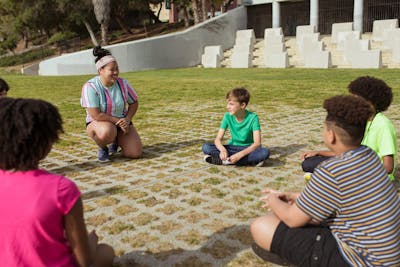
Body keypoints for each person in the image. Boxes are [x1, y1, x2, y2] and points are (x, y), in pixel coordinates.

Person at [250, 95, 400, 266]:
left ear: (331, 136)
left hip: (361, 260)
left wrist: (273, 199)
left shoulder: (331, 170)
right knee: (298, 216)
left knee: (262, 225)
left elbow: (293, 219)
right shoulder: (369, 155)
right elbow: (345, 197)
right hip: (386, 254)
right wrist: (295, 196)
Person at [0, 97, 115, 267]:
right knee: (106, 251)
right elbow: (84, 260)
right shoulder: (61, 189)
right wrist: (91, 240)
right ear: (47, 143)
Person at [301, 76, 398, 181]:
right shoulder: (361, 120)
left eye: (355, 99)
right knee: (309, 163)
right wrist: (320, 152)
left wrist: (354, 173)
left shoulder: (383, 126)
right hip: (355, 163)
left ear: (370, 101)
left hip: (372, 174)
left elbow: (388, 167)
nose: (352, 102)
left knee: (329, 169)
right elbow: (347, 151)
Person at [81, 46, 142, 162]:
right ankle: (103, 147)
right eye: (112, 69)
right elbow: (96, 115)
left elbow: (134, 103)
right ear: (101, 70)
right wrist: (117, 121)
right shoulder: (90, 87)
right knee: (107, 132)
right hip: (100, 123)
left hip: (122, 122)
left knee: (135, 153)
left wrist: (127, 119)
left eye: (117, 68)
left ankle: (117, 141)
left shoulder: (123, 83)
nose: (116, 72)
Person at [202, 87, 270, 166]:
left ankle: (224, 161)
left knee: (264, 152)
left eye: (231, 104)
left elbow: (257, 143)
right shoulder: (227, 116)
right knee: (206, 147)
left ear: (242, 105)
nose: (227, 107)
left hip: (248, 149)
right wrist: (223, 150)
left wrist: (239, 155)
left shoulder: (253, 118)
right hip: (232, 147)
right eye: (227, 103)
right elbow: (217, 139)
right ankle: (248, 161)